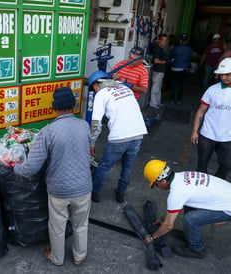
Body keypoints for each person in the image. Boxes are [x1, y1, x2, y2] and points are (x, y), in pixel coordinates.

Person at [14, 87, 92, 266]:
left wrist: (15, 167)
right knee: (81, 224)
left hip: (59, 190)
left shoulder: (47, 132)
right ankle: (79, 256)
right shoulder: (84, 125)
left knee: (57, 226)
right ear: (73, 106)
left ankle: (57, 257)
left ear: (54, 108)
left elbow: (31, 168)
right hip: (84, 187)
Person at [143, 159, 231, 259]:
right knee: (188, 205)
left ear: (162, 181)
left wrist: (152, 237)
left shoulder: (177, 192)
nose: (158, 187)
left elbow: (168, 226)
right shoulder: (182, 176)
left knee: (190, 219)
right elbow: (175, 206)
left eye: (156, 185)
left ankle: (197, 249)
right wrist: (162, 219)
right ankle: (190, 236)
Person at [88, 70, 147, 203]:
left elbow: (96, 123)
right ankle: (120, 193)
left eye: (94, 88)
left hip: (120, 136)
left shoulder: (101, 94)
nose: (95, 91)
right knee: (128, 165)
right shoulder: (124, 87)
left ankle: (95, 193)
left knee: (104, 166)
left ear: (97, 84)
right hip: (138, 133)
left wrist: (92, 143)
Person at [191, 57, 231, 179]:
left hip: (229, 138)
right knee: (201, 165)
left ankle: (216, 185)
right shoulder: (212, 89)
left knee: (226, 166)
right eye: (221, 75)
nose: (223, 77)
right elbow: (201, 111)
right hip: (207, 135)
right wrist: (194, 131)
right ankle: (201, 187)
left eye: (227, 74)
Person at [169, 34, 193, 104]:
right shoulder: (189, 49)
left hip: (175, 68)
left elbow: (171, 56)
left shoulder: (175, 48)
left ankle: (172, 100)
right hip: (184, 69)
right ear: (186, 40)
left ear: (180, 40)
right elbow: (189, 58)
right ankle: (179, 99)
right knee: (181, 85)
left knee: (173, 85)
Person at [150, 34, 168, 109]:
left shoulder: (161, 48)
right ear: (160, 40)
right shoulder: (157, 48)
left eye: (166, 40)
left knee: (158, 87)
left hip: (161, 71)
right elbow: (156, 60)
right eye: (163, 40)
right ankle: (153, 103)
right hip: (158, 70)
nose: (164, 42)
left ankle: (158, 102)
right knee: (155, 87)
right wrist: (163, 62)